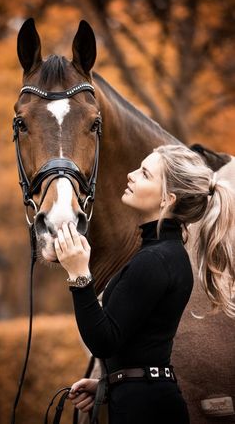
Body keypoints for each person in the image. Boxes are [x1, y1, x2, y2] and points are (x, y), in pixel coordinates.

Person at [54, 144, 235, 424]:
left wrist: (79, 274)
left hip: (145, 410)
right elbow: (139, 342)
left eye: (145, 174)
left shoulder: (156, 260)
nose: (131, 175)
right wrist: (111, 382)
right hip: (144, 400)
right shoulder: (164, 254)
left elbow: (104, 340)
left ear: (167, 199)